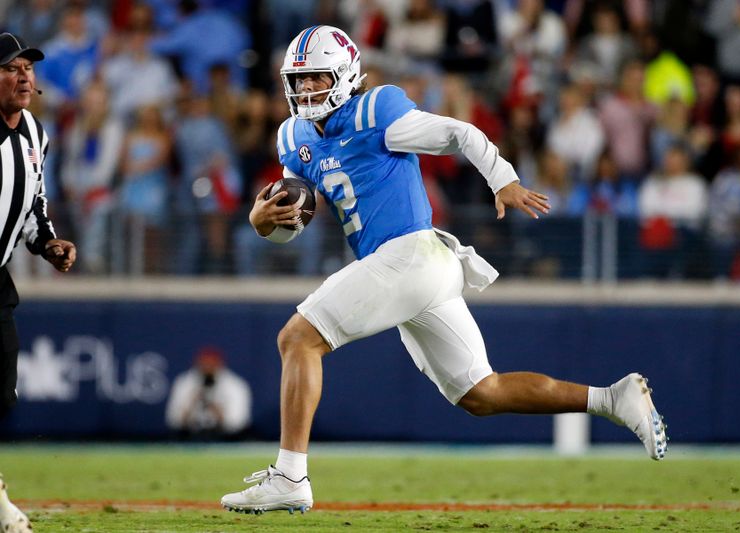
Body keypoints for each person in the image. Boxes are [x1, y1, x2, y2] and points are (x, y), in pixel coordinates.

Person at [221, 25, 667, 515]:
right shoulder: (293, 137)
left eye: (317, 78)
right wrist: (260, 221)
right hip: (411, 269)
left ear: (346, 76)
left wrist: (504, 180)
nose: (307, 90)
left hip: (410, 254)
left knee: (297, 338)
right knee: (482, 392)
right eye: (299, 81)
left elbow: (459, 132)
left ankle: (289, 475)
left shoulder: (376, 110)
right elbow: (292, 216)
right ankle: (613, 399)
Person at [0, 32, 77, 420]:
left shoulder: (34, 131)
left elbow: (35, 200)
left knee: (2, 389)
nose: (24, 77)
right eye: (10, 69)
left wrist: (47, 242)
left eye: (27, 68)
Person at [165, 346, 252, 440]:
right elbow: (173, 421)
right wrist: (193, 401)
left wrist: (213, 405)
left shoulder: (234, 385)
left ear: (219, 364)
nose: (207, 368)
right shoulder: (185, 382)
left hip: (226, 438)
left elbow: (237, 424)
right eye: (204, 364)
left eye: (211, 364)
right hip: (190, 437)